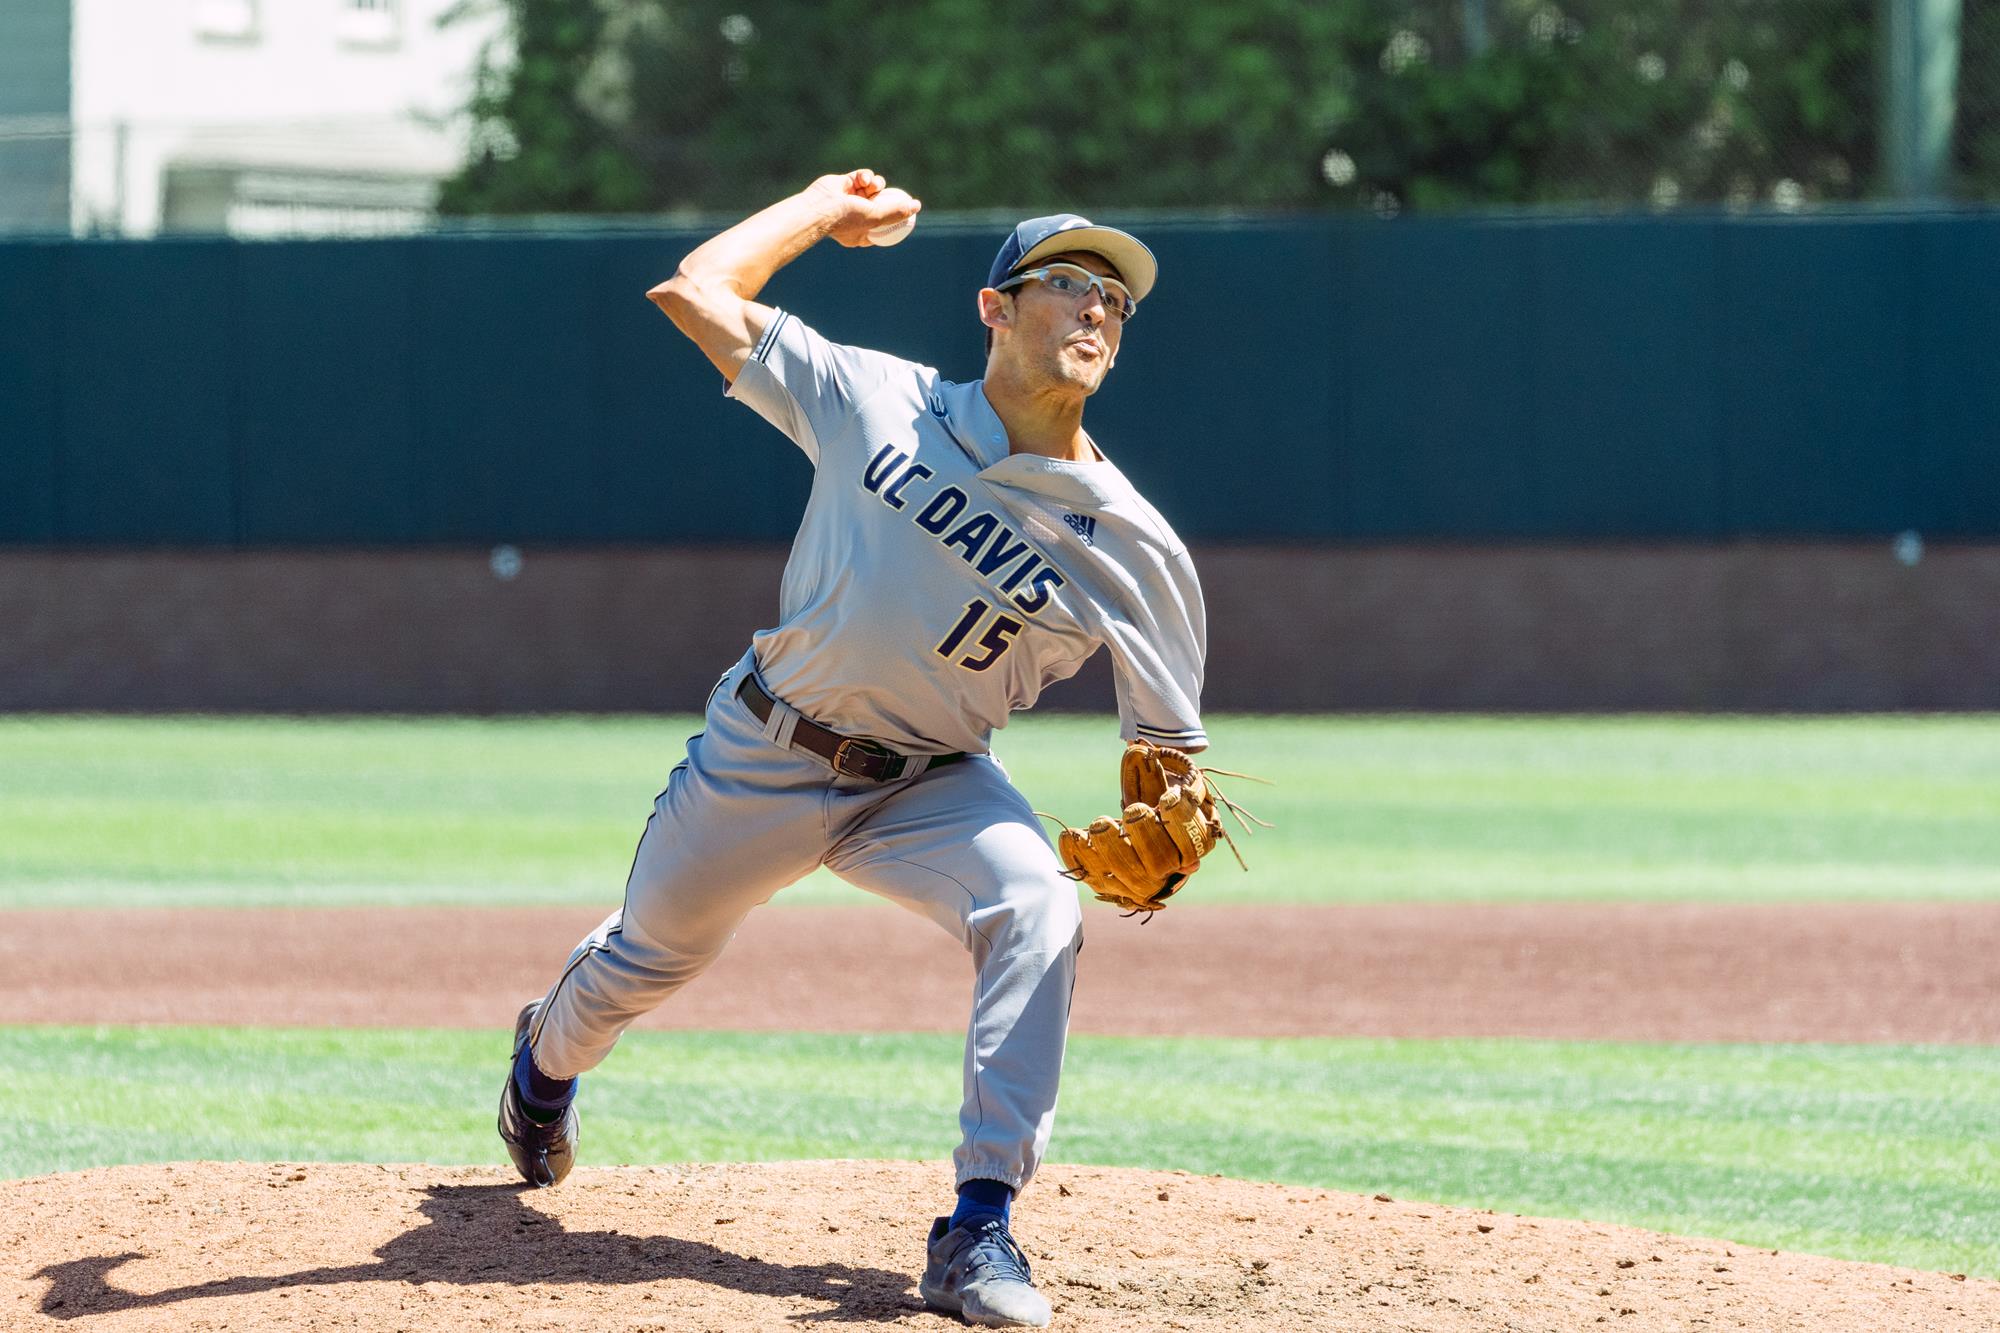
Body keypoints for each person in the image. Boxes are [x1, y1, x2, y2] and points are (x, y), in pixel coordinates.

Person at [497, 169, 1210, 1329]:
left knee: (1035, 904)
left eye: (1114, 303)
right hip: (764, 749)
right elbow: (692, 290)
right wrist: (823, 207)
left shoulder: (1133, 543)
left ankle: (978, 1229)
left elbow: (1168, 753)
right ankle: (541, 1068)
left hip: (930, 785)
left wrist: (1173, 829)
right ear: (993, 308)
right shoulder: (872, 396)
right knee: (645, 961)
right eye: (1066, 284)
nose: (1094, 311)